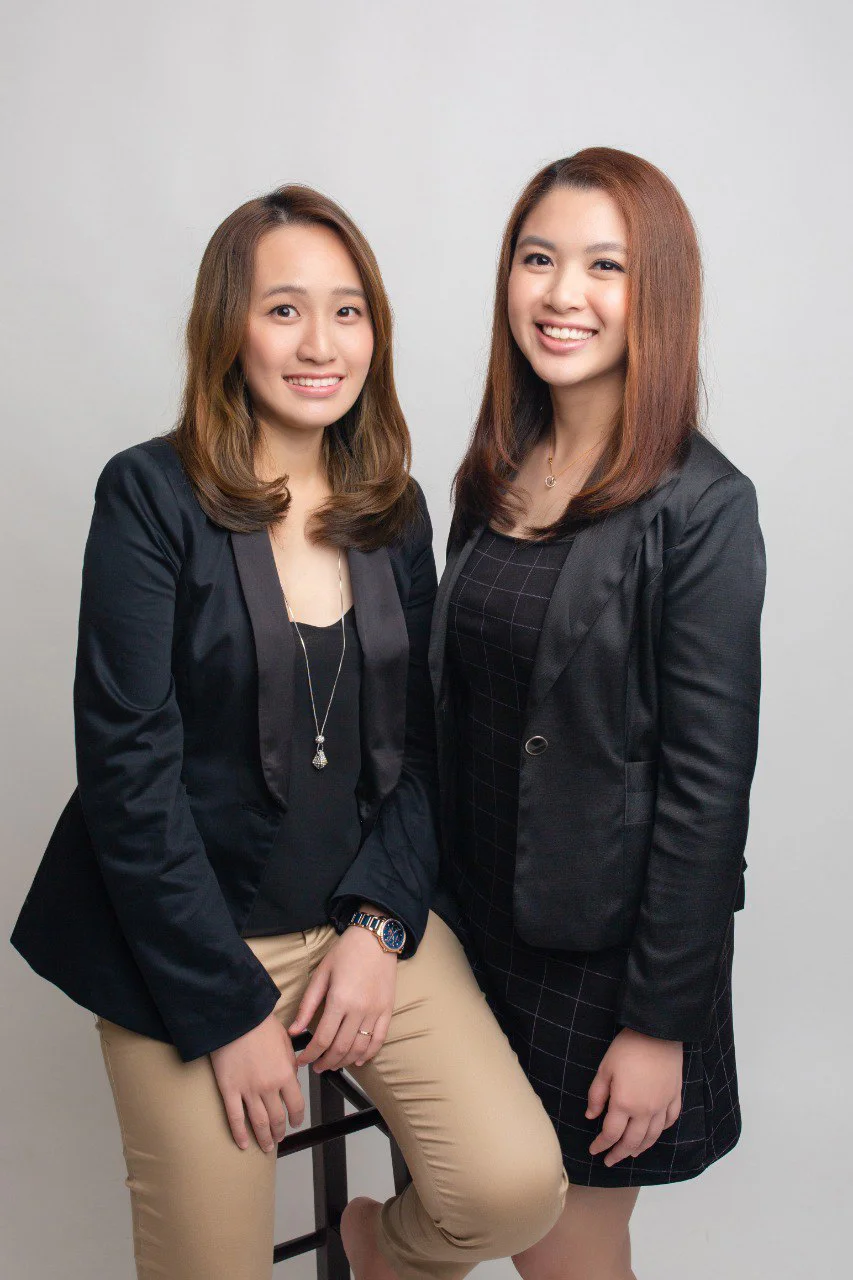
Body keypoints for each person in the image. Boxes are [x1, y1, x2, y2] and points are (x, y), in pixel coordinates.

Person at [11, 184, 567, 1280]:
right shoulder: (148, 494)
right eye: (283, 310)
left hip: (355, 916)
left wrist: (379, 928)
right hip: (186, 938)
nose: (321, 343)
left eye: (347, 310)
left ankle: (376, 1253)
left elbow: (423, 750)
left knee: (513, 1189)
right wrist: (225, 1011)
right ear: (229, 328)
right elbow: (128, 773)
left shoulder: (393, 508)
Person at [428, 148, 766, 1280]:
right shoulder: (495, 470)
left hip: (601, 959)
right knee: (469, 1198)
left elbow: (707, 791)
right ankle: (384, 1248)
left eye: (603, 266)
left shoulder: (703, 506)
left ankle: (377, 1249)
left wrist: (659, 1021)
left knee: (567, 1255)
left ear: (655, 290)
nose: (561, 293)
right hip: (463, 920)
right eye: (537, 258)